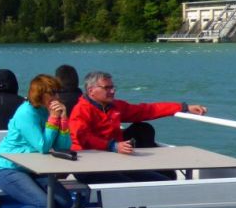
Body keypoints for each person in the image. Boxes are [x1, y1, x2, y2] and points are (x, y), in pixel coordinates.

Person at [0, 74, 74, 208]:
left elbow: (62, 146)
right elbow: (43, 146)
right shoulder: (26, 113)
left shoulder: (45, 110)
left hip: (32, 167)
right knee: (42, 204)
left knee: (65, 202)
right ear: (40, 94)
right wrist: (53, 119)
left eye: (58, 92)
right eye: (52, 93)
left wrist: (63, 119)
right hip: (6, 168)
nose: (57, 97)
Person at [69, 71, 208, 183]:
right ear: (91, 90)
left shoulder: (116, 107)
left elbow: (147, 110)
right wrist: (112, 146)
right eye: (107, 88)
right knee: (129, 185)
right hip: (88, 166)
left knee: (165, 179)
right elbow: (82, 137)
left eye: (113, 87)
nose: (112, 91)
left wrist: (184, 107)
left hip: (116, 161)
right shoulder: (81, 110)